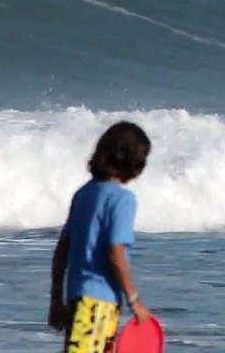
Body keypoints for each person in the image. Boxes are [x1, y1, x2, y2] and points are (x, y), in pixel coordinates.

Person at [48, 121, 154, 352]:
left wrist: (56, 300)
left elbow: (61, 250)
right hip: (99, 304)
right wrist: (134, 300)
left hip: (77, 298)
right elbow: (116, 255)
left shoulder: (84, 194)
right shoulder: (122, 200)